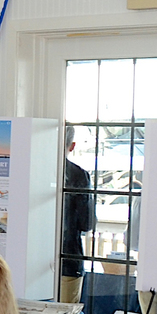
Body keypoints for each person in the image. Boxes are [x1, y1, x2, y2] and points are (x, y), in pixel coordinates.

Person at [61, 124, 95, 304]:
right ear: (72, 146)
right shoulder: (79, 175)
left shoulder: (32, 170)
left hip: (30, 261)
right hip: (69, 259)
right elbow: (87, 222)